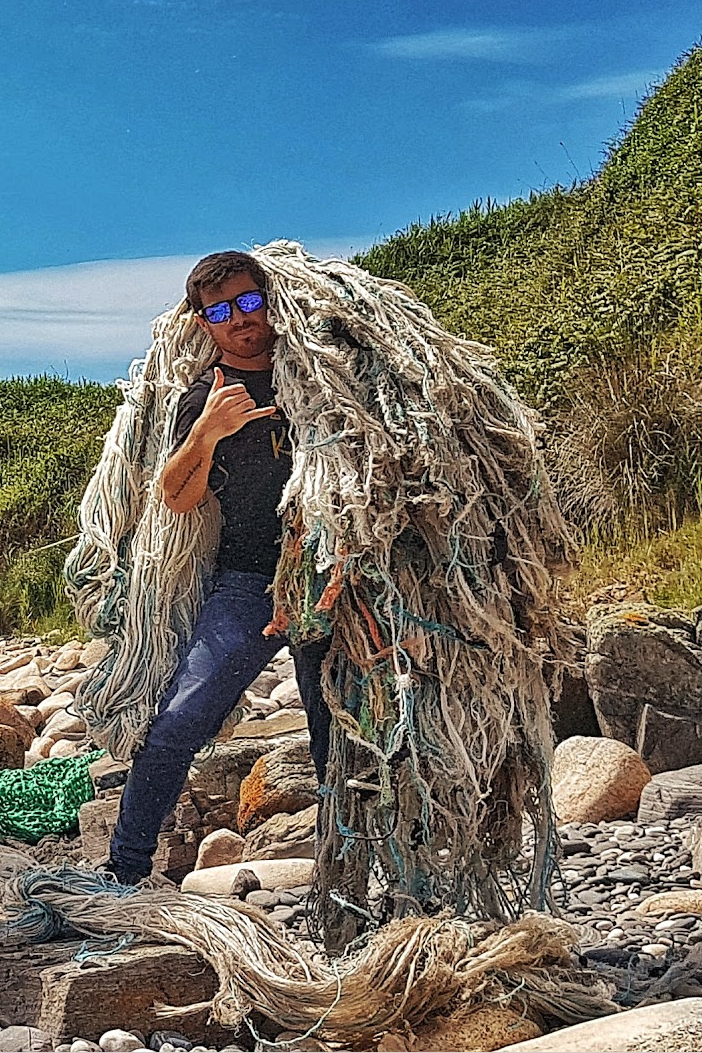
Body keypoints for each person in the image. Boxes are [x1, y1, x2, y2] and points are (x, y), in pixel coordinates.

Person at [106, 251, 331, 885]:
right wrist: (207, 432)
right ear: (204, 322)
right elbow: (175, 495)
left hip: (332, 582)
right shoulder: (201, 399)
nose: (241, 320)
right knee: (178, 722)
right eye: (222, 311)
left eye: (249, 302)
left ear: (269, 300)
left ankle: (352, 875)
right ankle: (123, 870)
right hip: (247, 584)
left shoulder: (317, 376)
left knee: (336, 733)